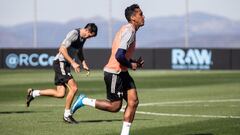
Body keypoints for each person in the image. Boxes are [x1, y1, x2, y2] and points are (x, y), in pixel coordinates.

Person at [71, 4, 144, 135]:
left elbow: (121, 54)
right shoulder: (130, 31)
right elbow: (119, 55)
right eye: (140, 14)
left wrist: (133, 62)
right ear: (133, 18)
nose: (143, 16)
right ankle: (84, 100)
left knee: (133, 101)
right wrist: (130, 65)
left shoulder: (129, 29)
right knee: (115, 106)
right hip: (114, 73)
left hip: (122, 72)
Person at [26, 23, 98, 124]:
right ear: (87, 30)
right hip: (60, 63)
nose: (89, 38)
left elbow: (79, 51)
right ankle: (67, 115)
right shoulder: (74, 34)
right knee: (74, 88)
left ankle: (33, 93)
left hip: (65, 64)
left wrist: (83, 63)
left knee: (60, 94)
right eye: (90, 35)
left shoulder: (83, 38)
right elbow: (62, 49)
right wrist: (73, 63)